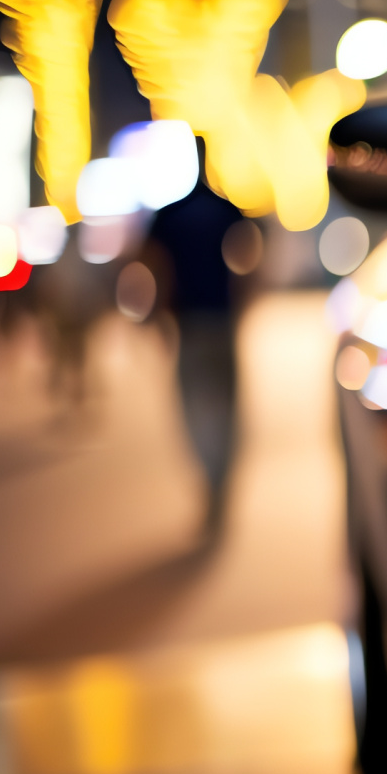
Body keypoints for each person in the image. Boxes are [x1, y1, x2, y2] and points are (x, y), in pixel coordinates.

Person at [146, 175, 245, 538]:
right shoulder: (225, 208)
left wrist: (156, 314)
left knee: (194, 412)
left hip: (190, 326)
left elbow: (153, 265)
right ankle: (218, 485)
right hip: (220, 323)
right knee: (225, 410)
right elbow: (251, 255)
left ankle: (211, 483)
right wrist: (245, 299)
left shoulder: (170, 215)